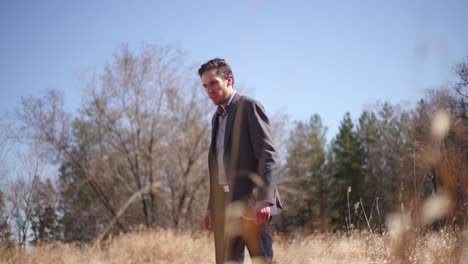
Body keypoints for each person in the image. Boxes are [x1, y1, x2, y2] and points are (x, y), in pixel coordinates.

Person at [199, 58, 282, 264]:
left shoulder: (249, 107)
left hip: (253, 205)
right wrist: (211, 207)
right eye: (205, 86)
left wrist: (263, 199)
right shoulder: (216, 118)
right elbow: (219, 168)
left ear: (229, 80)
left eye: (213, 83)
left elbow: (268, 155)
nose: (209, 90)